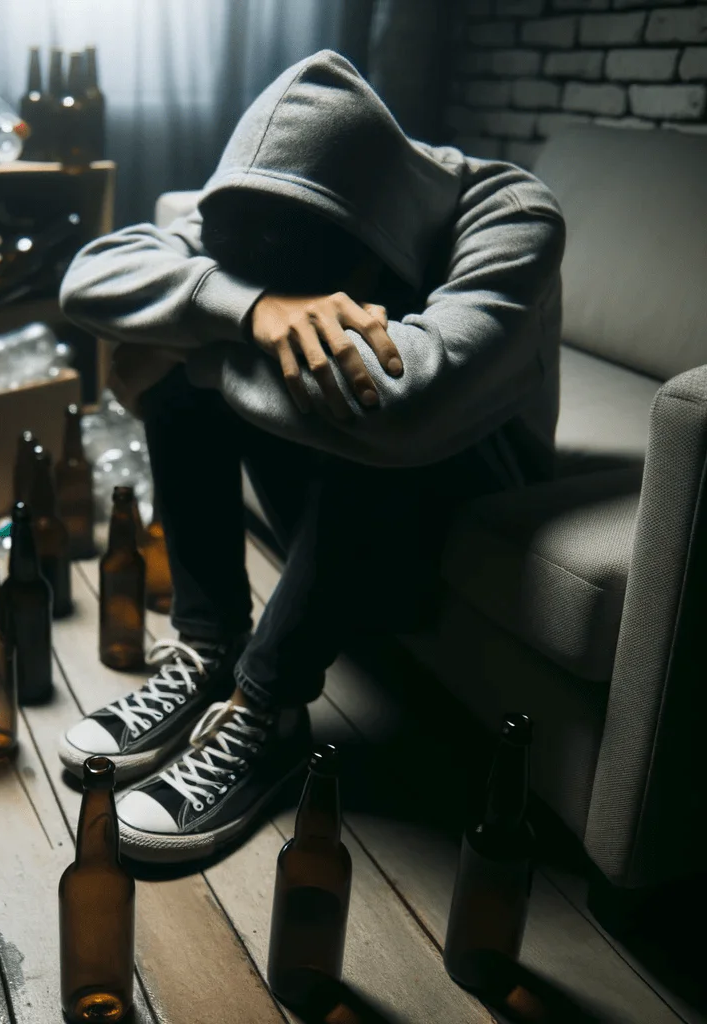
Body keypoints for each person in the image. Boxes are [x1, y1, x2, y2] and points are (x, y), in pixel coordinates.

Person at [57, 50, 565, 864]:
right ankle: (207, 647)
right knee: (202, 352)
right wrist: (255, 310)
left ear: (369, 251)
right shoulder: (266, 198)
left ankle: (269, 706)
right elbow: (89, 277)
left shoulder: (512, 215)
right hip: (358, 462)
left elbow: (409, 404)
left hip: (458, 468)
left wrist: (191, 346)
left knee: (332, 394)